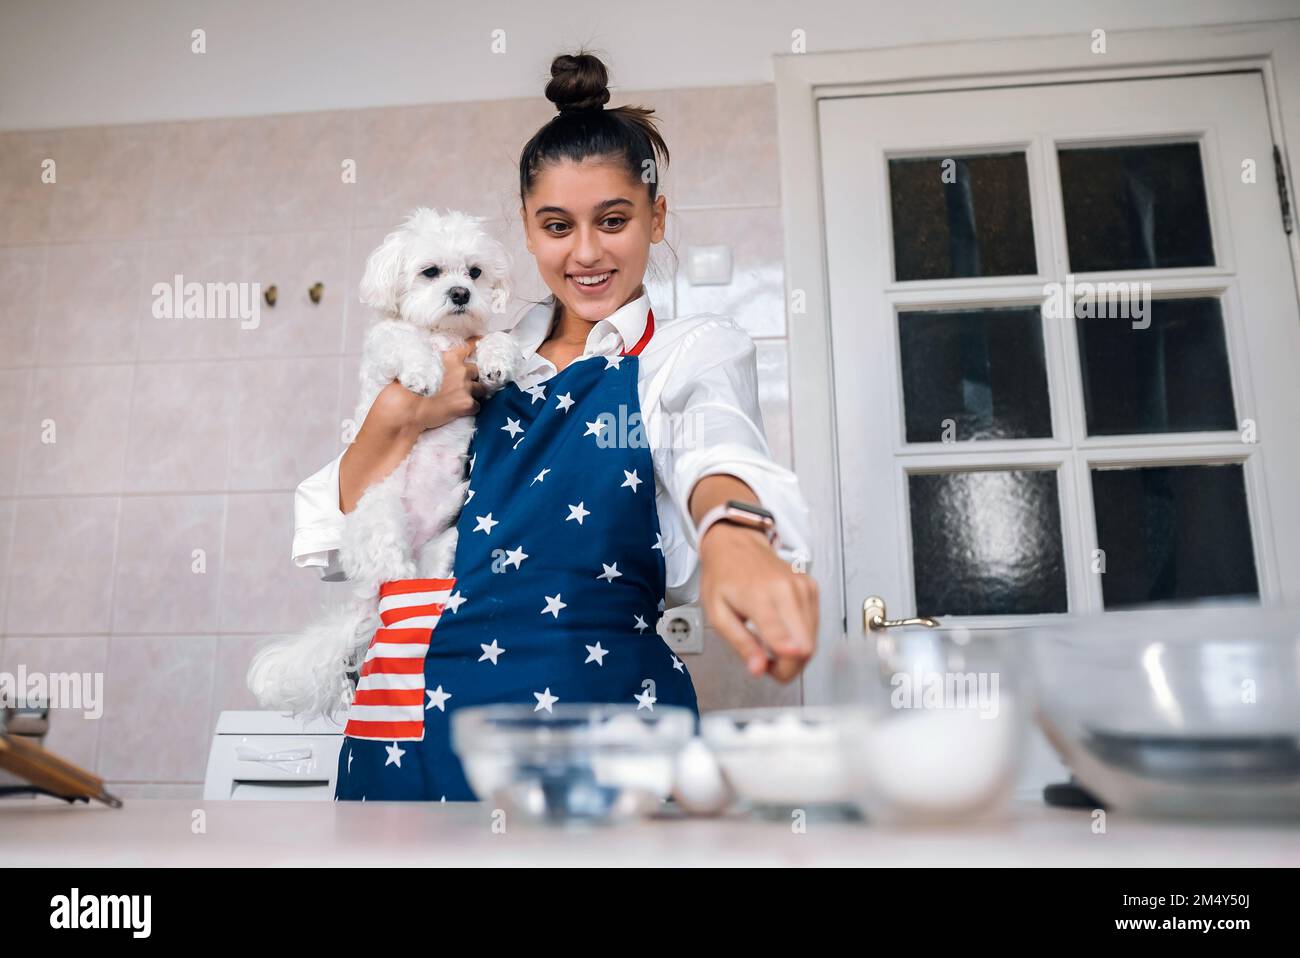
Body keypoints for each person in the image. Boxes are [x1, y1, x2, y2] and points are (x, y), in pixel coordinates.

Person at [292, 51, 819, 801]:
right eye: (556, 226)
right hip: (424, 720)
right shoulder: (475, 357)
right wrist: (403, 412)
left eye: (613, 221)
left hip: (606, 729)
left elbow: (716, 443)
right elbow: (331, 534)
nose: (586, 253)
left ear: (656, 216)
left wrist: (735, 536)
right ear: (527, 233)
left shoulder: (683, 351)